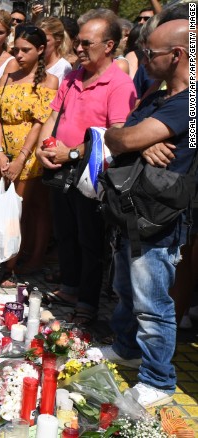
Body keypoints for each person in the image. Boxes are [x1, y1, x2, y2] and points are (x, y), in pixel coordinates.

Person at [101, 18, 189, 408]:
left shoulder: (190, 104)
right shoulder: (156, 95)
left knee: (153, 303)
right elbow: (116, 133)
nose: (143, 58)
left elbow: (127, 136)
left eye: (150, 53)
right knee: (125, 291)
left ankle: (158, 380)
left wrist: (134, 141)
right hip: (132, 208)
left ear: (177, 55)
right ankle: (126, 347)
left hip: (161, 217)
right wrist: (138, 144)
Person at [35, 9, 136, 325]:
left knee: (90, 238)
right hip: (60, 166)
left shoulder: (119, 85)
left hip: (92, 173)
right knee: (65, 231)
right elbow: (54, 116)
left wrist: (74, 154)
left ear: (108, 46)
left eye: (85, 44)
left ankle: (88, 302)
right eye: (77, 42)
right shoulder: (72, 76)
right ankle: (69, 287)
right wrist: (42, 147)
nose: (77, 49)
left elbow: (115, 135)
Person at [0, 26, 58, 285]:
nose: (20, 55)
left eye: (26, 50)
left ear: (41, 50)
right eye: (16, 50)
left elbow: (39, 123)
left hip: (27, 155)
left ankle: (9, 268)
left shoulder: (49, 82)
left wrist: (21, 159)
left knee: (15, 214)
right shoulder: (8, 76)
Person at [39, 17, 74, 84]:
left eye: (45, 40)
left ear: (58, 40)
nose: (40, 44)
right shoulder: (34, 63)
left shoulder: (63, 67)